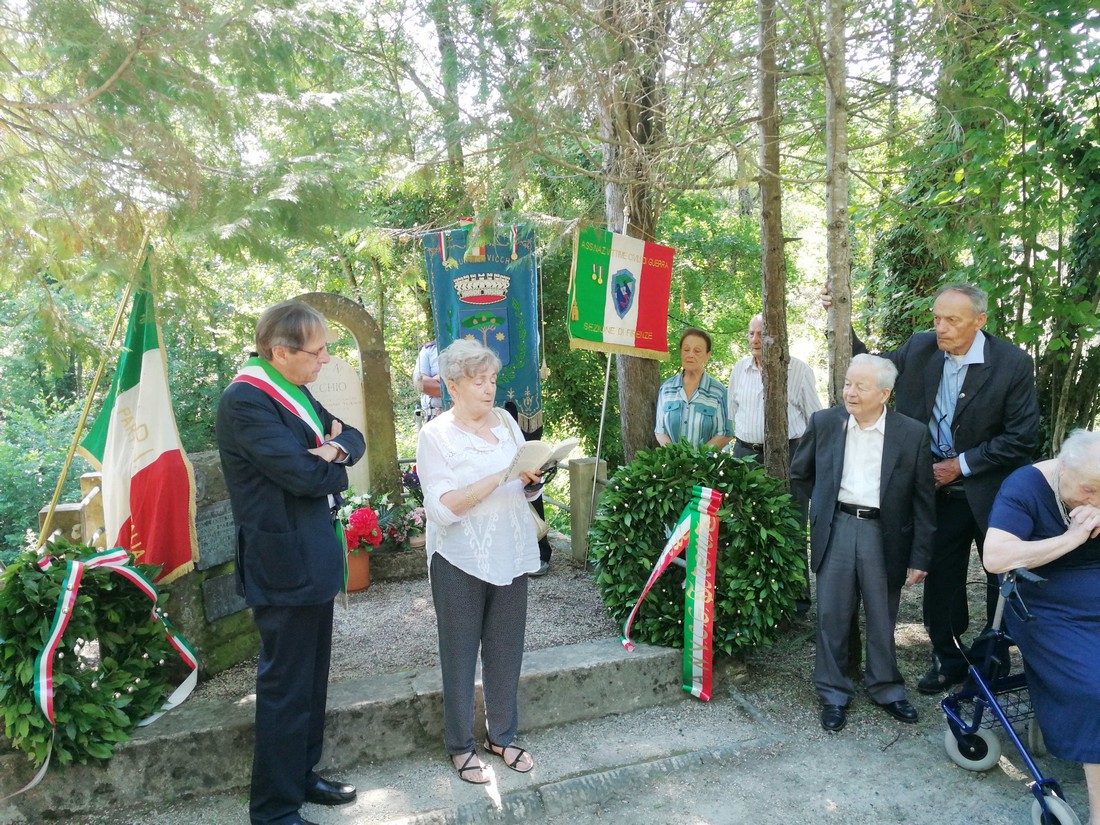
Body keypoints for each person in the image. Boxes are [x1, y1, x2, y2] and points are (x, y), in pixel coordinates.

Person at [825, 283, 1040, 693]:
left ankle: (991, 660)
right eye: (937, 317)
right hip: (935, 494)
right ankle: (948, 657)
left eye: (952, 320)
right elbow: (873, 367)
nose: (940, 328)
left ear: (980, 322)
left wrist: (958, 466)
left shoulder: (1012, 364)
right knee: (941, 579)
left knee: (1001, 576)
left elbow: (1022, 437)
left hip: (993, 490)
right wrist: (840, 320)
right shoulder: (921, 348)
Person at [217, 300, 366, 825]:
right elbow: (303, 478)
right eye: (318, 351)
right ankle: (274, 809)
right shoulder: (246, 401)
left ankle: (301, 776)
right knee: (284, 686)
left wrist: (328, 450)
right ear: (281, 352)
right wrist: (328, 458)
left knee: (311, 679)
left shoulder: (294, 390)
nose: (325, 360)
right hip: (282, 562)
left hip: (312, 556)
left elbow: (352, 437)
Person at [415, 338, 544, 785]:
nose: (489, 389)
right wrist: (501, 476)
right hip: (460, 557)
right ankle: (459, 745)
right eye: (477, 381)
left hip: (510, 548)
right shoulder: (435, 435)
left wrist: (530, 482)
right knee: (460, 653)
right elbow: (443, 509)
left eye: (491, 379)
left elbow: (522, 490)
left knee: (507, 649)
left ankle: (502, 736)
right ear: (452, 385)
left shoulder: (507, 420)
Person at [791, 355, 934, 732]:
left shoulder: (912, 433)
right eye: (848, 383)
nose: (850, 392)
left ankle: (886, 687)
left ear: (885, 393)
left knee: (883, 616)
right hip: (836, 527)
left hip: (883, 534)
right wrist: (820, 511)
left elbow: (923, 500)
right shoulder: (825, 423)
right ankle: (833, 692)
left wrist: (920, 555)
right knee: (832, 616)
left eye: (861, 386)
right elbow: (800, 474)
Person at [984, 430, 1100, 825]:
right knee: (1094, 688)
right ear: (1063, 467)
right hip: (1045, 607)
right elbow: (996, 557)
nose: (1096, 502)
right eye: (1089, 491)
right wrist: (1072, 538)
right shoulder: (1025, 486)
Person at [728, 312, 823, 614]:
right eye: (751, 334)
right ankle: (753, 600)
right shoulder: (738, 370)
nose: (755, 340)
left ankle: (796, 604)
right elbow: (734, 413)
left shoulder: (799, 371)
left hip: (790, 454)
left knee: (792, 525)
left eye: (761, 334)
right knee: (746, 525)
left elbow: (815, 420)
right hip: (745, 455)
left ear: (778, 336)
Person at [654, 328, 732, 450]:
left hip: (707, 466)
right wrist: (677, 459)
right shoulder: (666, 389)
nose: (690, 354)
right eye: (686, 349)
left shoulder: (718, 392)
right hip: (673, 466)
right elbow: (660, 431)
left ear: (707, 356)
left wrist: (698, 460)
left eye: (697, 351)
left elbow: (725, 434)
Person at [413, 340, 442, 428]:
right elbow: (421, 384)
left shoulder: (475, 347)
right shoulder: (429, 350)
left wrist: (437, 379)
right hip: (435, 419)